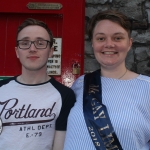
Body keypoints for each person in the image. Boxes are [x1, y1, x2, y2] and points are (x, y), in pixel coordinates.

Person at [64, 10, 150, 150]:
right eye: (101, 38)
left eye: (117, 38)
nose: (109, 44)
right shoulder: (81, 84)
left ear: (129, 43)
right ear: (92, 43)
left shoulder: (147, 88)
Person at [0, 18, 76, 150]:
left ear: (51, 51)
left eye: (40, 43)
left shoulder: (65, 95)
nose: (32, 48)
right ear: (17, 51)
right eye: (25, 43)